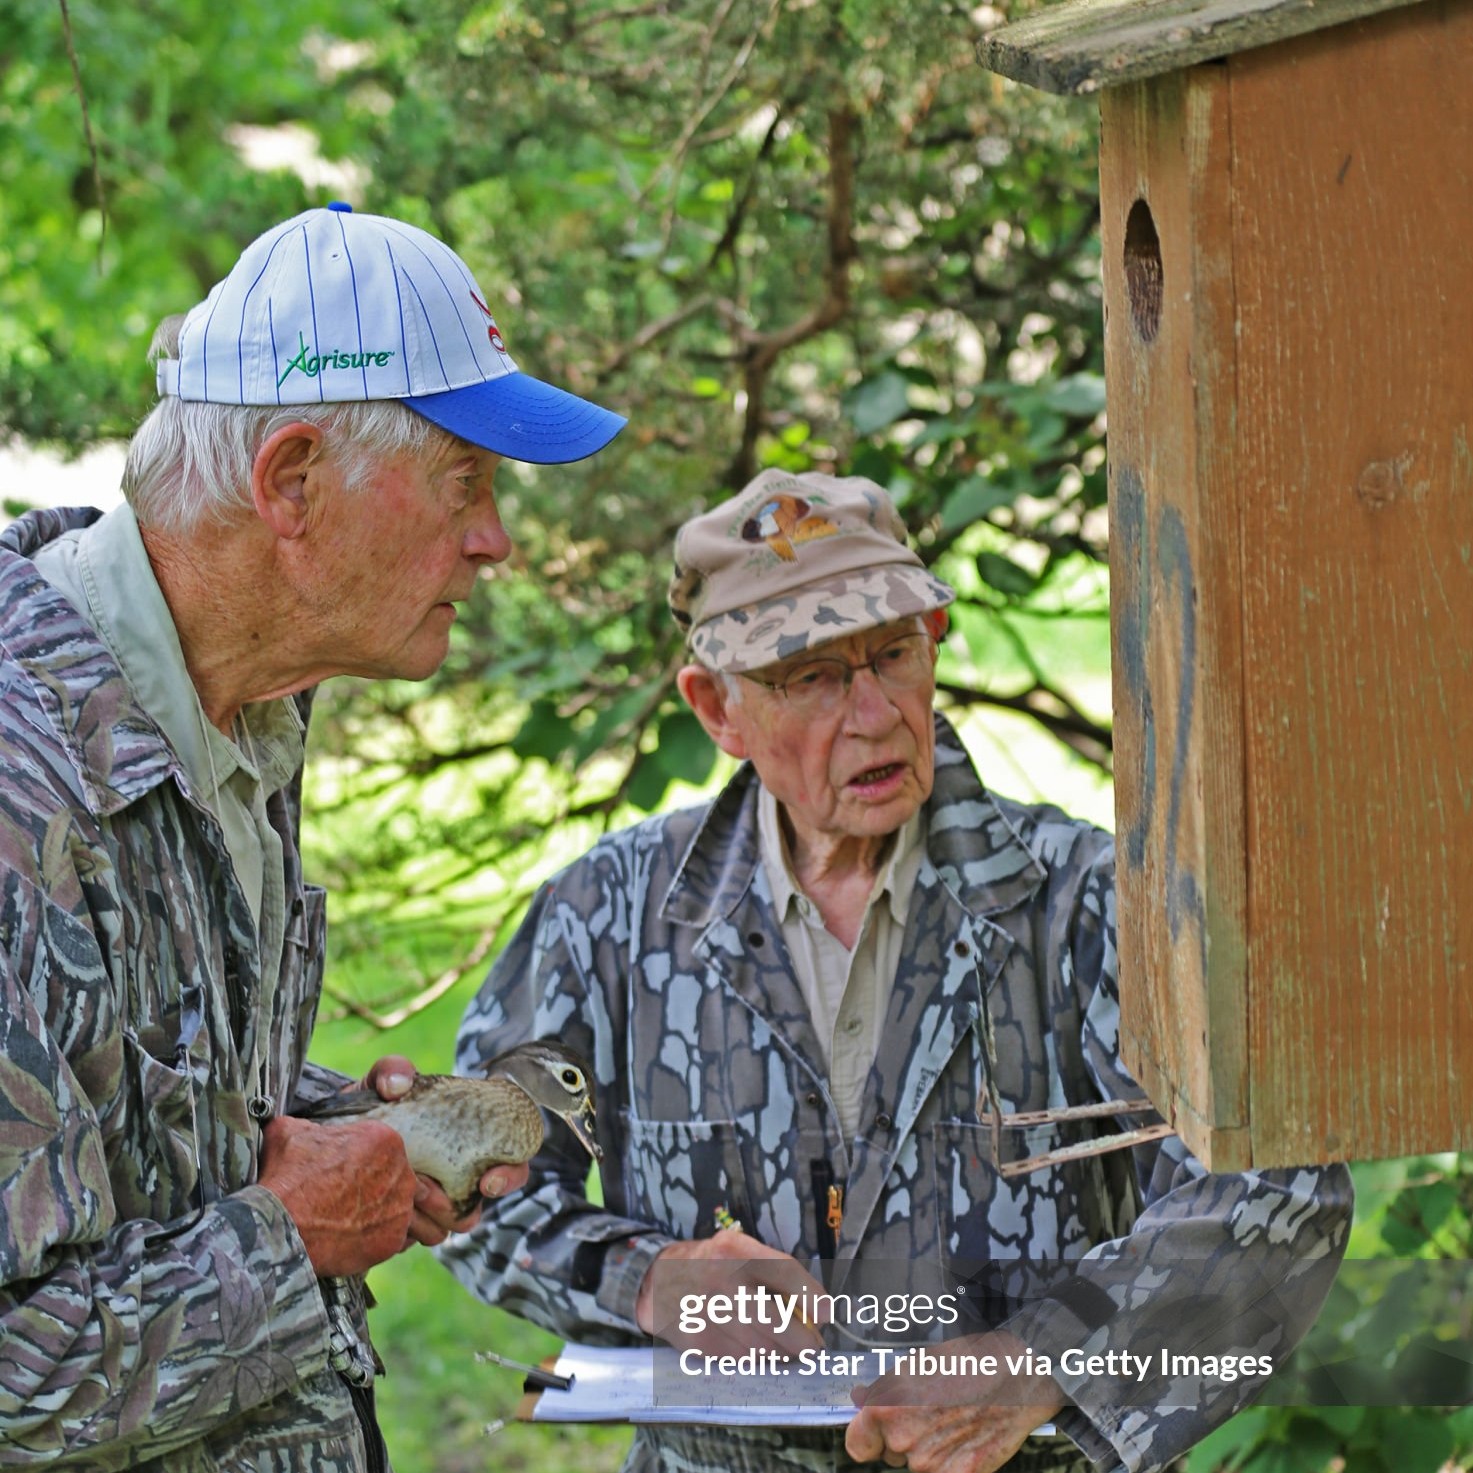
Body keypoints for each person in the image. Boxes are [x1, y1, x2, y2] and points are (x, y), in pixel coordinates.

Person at [439, 468, 1354, 1473]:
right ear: (718, 709)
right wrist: (650, 1281)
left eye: (892, 654)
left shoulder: (1092, 903)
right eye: (812, 676)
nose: (874, 713)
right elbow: (473, 1189)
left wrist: (1041, 1358)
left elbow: (1276, 1187)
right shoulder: (605, 916)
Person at [0, 203, 624, 1470]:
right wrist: (292, 1235)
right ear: (290, 481)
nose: (493, 538)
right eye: (466, 480)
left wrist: (355, 1133)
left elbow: (106, 1126)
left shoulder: (236, 707)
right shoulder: (23, 799)